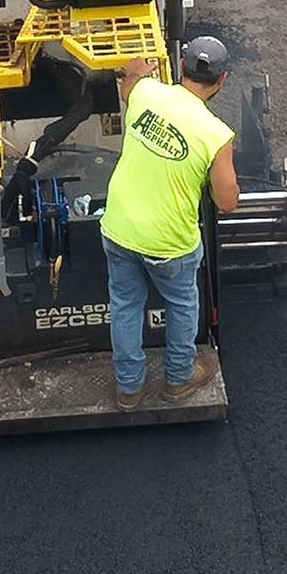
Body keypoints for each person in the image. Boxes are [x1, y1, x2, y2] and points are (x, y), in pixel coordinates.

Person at [100, 36, 242, 410]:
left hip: (119, 226)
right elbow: (227, 202)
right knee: (181, 303)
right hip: (169, 242)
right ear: (222, 80)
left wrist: (134, 71)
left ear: (181, 67)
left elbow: (128, 87)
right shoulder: (216, 135)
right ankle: (178, 379)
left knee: (126, 304)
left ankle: (129, 388)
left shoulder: (146, 92)